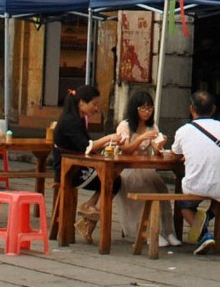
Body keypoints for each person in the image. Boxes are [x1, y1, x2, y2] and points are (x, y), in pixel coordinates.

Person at [171, 89, 220, 256]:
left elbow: (175, 156)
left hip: (194, 187)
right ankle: (208, 215)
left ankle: (204, 235)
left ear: (191, 109)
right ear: (213, 109)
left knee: (183, 204)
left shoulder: (183, 131)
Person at [94, 90, 169, 247]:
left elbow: (155, 150)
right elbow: (126, 149)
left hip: (146, 168)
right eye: (143, 108)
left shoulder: (152, 126)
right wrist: (141, 138)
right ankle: (147, 232)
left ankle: (166, 231)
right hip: (127, 168)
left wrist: (159, 146)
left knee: (162, 189)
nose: (147, 112)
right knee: (147, 190)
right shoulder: (125, 126)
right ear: (135, 109)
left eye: (150, 108)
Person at [52, 85, 105, 240]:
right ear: (82, 103)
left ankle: (88, 212)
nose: (96, 108)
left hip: (75, 166)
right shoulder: (70, 121)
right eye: (94, 104)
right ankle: (87, 219)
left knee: (113, 180)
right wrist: (108, 139)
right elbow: (85, 146)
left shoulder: (79, 118)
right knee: (111, 182)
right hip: (67, 170)